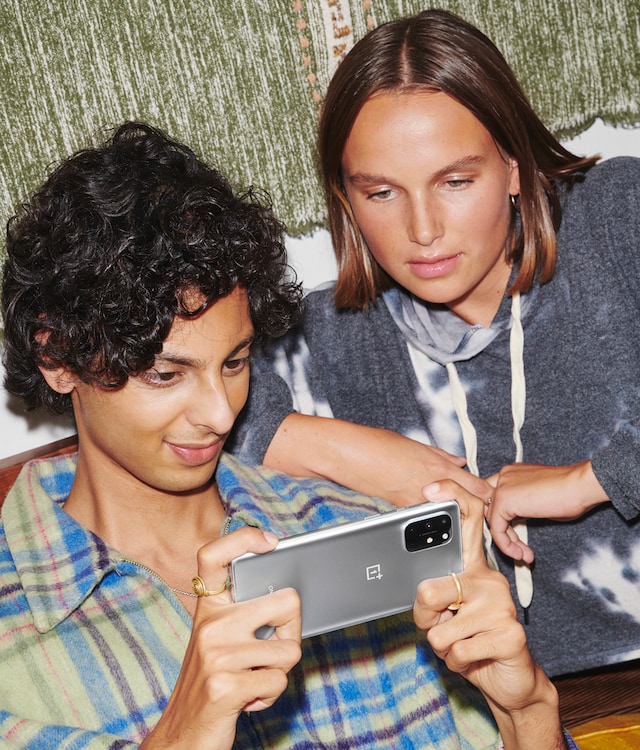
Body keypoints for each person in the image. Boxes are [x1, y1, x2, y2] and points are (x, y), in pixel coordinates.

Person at [0, 121, 575, 748]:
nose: (221, 415)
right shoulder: (15, 632)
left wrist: (528, 712)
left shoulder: (354, 530)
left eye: (235, 362)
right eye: (166, 374)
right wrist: (186, 730)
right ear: (56, 358)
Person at [228, 8, 640, 681]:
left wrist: (588, 481)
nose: (423, 229)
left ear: (514, 165)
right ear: (345, 198)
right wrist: (368, 455)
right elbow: (171, 405)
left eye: (455, 181)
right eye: (381, 192)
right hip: (490, 711)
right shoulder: (325, 338)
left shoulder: (617, 219)